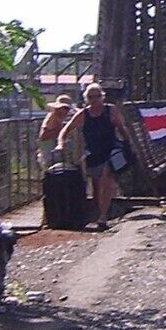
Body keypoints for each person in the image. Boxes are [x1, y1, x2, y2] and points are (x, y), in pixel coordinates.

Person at [64, 85, 125, 231]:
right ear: (86, 99)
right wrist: (61, 142)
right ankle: (100, 212)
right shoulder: (83, 114)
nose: (95, 100)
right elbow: (67, 128)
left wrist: (128, 144)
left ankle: (103, 216)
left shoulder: (111, 111)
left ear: (102, 97)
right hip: (93, 152)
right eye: (91, 97)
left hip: (111, 150)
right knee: (96, 186)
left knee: (106, 179)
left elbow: (121, 128)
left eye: (97, 96)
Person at [36, 91, 76, 171]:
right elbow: (43, 136)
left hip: (55, 153)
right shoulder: (52, 118)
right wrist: (60, 131)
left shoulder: (60, 118)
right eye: (65, 108)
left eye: (67, 108)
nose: (67, 111)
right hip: (49, 154)